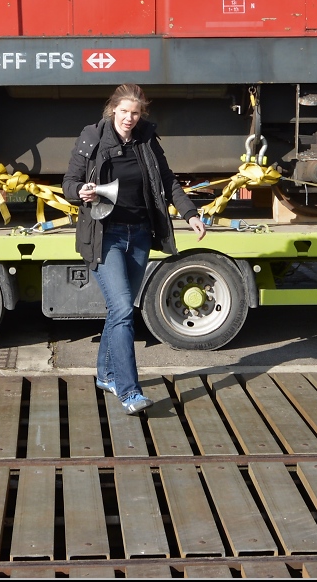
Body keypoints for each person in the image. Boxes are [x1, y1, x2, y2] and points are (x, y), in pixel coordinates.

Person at [62, 85, 207, 415]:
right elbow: (68, 182)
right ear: (112, 109)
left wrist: (190, 213)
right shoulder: (93, 137)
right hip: (105, 236)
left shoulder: (145, 138)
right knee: (125, 310)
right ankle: (129, 392)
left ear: (142, 114)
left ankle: (105, 375)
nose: (129, 118)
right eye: (124, 111)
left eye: (136, 112)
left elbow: (168, 181)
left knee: (119, 311)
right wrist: (80, 191)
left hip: (140, 234)